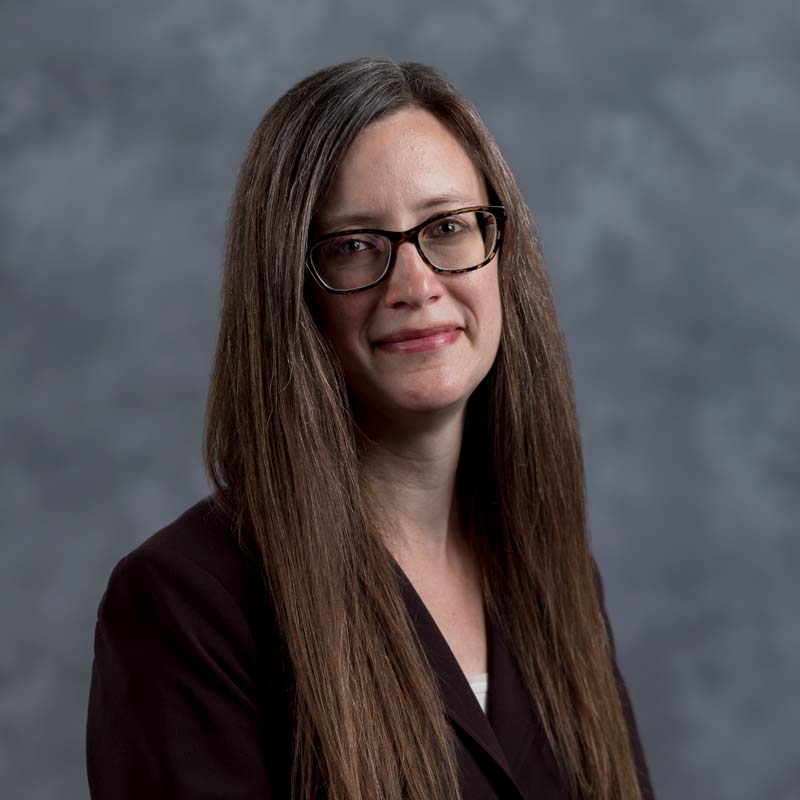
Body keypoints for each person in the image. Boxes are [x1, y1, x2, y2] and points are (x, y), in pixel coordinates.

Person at [86, 57, 655, 800]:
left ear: (502, 255)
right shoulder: (186, 603)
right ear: (291, 292)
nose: (416, 286)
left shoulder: (549, 566)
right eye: (355, 246)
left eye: (448, 227)